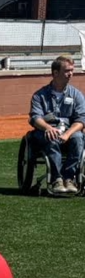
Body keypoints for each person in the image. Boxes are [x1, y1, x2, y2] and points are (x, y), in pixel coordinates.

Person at [28, 55, 85, 196]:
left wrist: (67, 133)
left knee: (78, 138)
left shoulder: (76, 95)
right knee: (51, 137)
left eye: (72, 70)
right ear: (55, 73)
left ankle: (69, 178)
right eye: (67, 71)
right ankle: (56, 179)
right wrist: (48, 128)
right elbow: (35, 117)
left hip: (68, 131)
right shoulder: (39, 95)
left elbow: (81, 119)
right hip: (46, 131)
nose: (70, 74)